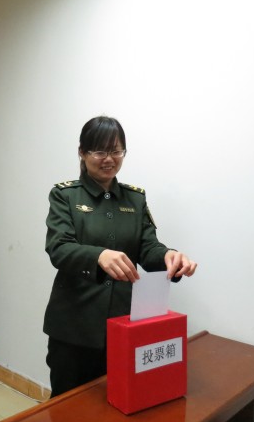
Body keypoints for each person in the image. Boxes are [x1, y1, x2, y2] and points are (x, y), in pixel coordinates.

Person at [43, 115, 197, 398]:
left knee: (119, 402)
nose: (108, 159)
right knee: (67, 406)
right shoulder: (65, 195)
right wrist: (99, 256)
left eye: (116, 151)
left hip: (124, 322)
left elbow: (148, 248)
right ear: (82, 152)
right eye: (99, 151)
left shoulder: (134, 199)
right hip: (74, 326)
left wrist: (170, 256)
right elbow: (59, 248)